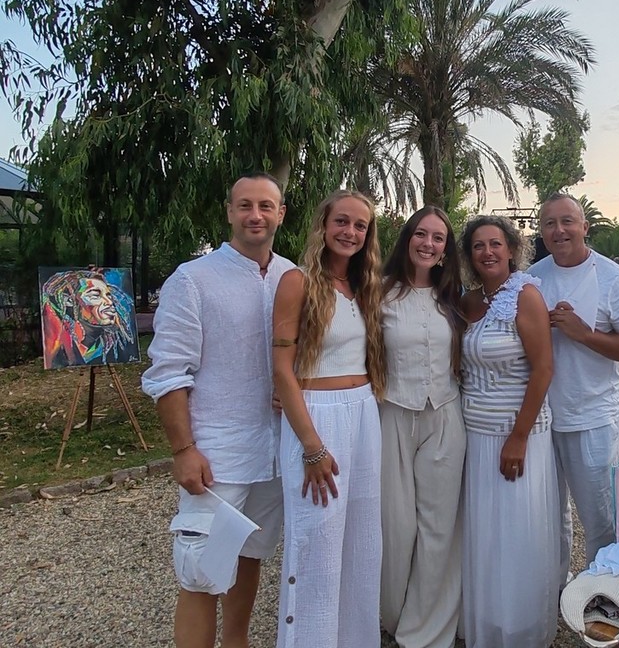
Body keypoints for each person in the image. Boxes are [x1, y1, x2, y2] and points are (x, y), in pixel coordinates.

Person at [141, 173, 293, 648]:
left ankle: (237, 642)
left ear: (281, 213)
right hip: (217, 452)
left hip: (275, 450)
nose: (255, 215)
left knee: (250, 556)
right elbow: (169, 372)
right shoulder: (193, 279)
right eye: (245, 205)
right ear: (229, 211)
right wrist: (183, 449)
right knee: (203, 572)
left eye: (265, 206)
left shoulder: (292, 277)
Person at [271, 189, 387, 648]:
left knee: (361, 541)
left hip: (364, 413)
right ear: (323, 224)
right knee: (316, 539)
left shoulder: (364, 287)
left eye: (360, 225)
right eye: (342, 221)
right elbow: (282, 369)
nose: (350, 232)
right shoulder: (297, 282)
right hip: (318, 417)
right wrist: (312, 447)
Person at [527, 194, 619, 588]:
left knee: (599, 518)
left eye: (567, 221)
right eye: (549, 223)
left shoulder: (614, 279)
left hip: (592, 418)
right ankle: (557, 590)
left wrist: (584, 334)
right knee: (549, 516)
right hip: (541, 419)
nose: (559, 230)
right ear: (541, 231)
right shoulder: (533, 278)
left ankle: (604, 594)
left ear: (585, 226)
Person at [459, 215, 559, 648]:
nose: (488, 252)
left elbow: (543, 369)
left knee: (516, 531)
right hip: (474, 431)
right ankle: (486, 619)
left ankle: (518, 627)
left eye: (495, 244)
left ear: (512, 249)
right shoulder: (468, 301)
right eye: (478, 246)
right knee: (483, 533)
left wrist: (518, 437)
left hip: (516, 432)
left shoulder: (526, 295)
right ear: (469, 255)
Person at [379, 207, 466, 648]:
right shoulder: (379, 293)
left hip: (446, 417)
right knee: (394, 527)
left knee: (438, 526)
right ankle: (390, 615)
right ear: (407, 238)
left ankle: (427, 628)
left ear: (446, 249)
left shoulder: (454, 298)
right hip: (392, 415)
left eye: (438, 238)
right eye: (420, 234)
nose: (428, 244)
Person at [40, 268, 139, 368]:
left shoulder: (117, 346)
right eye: (95, 295)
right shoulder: (58, 348)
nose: (109, 302)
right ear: (69, 301)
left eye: (109, 296)